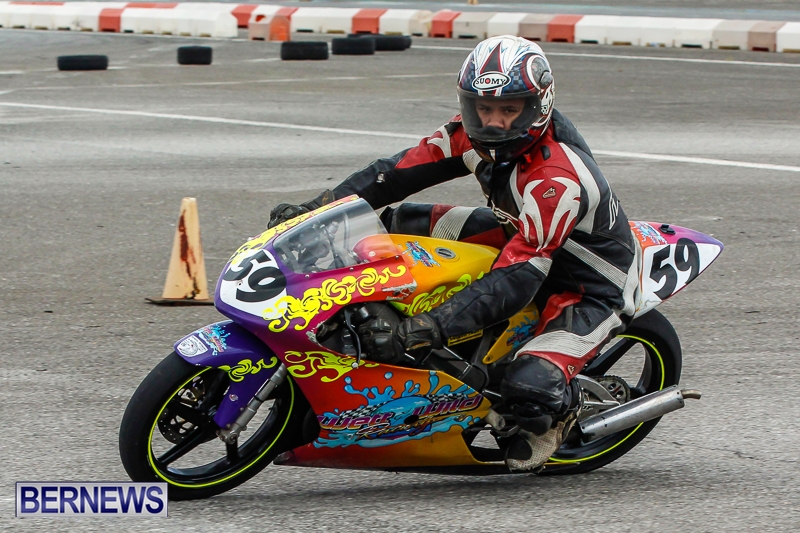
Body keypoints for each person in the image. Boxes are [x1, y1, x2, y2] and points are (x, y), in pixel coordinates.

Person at [268, 36, 639, 473]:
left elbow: (519, 275)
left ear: (538, 105)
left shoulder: (556, 180)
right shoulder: (470, 134)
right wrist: (318, 210)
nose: (493, 122)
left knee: (529, 388)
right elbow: (394, 174)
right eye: (483, 108)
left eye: (508, 110)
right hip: (516, 231)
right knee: (396, 222)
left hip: (583, 282)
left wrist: (425, 328)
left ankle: (560, 411)